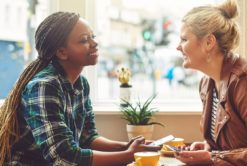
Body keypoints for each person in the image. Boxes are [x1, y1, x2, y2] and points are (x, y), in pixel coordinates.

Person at [0, 11, 160, 166]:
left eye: (93, 37)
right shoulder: (44, 86)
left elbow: (87, 137)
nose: (94, 43)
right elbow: (64, 158)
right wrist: (129, 155)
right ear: (62, 52)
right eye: (84, 40)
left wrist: (126, 146)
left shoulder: (81, 84)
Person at [175, 0, 247, 165]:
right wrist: (208, 147)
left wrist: (212, 158)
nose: (178, 47)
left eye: (184, 39)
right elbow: (235, 143)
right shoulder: (207, 83)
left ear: (209, 42)